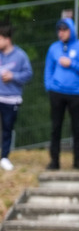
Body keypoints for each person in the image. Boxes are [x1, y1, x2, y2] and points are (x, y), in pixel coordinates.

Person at [44, 18, 79, 171]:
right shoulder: (54, 48)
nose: (61, 33)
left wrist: (71, 63)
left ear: (71, 31)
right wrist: (49, 87)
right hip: (56, 92)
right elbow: (48, 69)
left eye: (64, 30)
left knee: (76, 128)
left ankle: (78, 161)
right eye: (59, 30)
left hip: (76, 93)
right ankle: (54, 161)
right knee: (55, 127)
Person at [0, 23, 34, 172]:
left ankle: (4, 157)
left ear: (7, 39)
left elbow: (28, 74)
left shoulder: (20, 55)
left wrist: (13, 76)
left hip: (11, 99)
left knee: (7, 129)